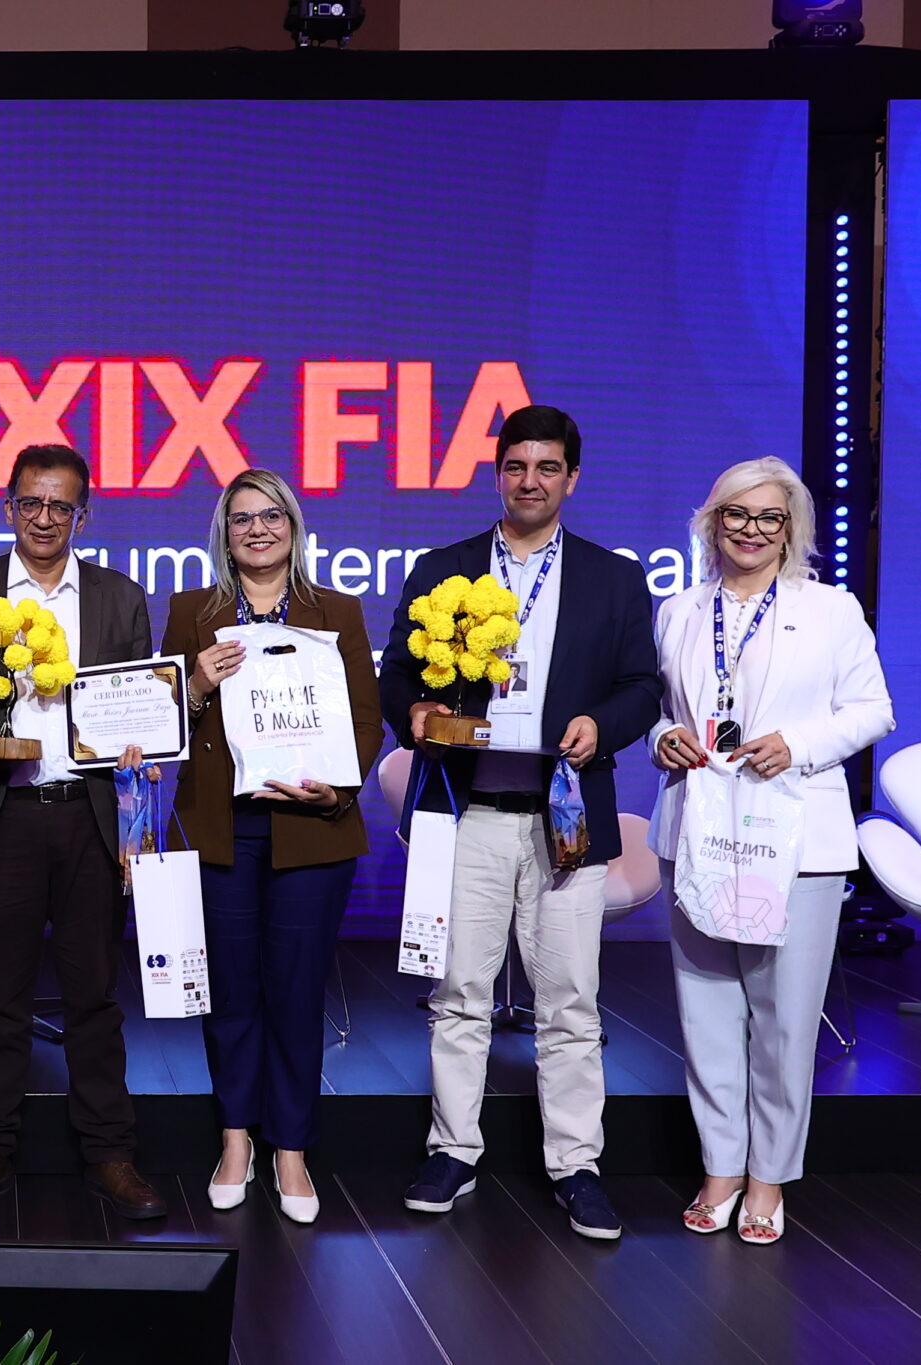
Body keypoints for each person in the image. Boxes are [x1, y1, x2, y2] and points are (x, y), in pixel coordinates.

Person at [380, 406, 660, 1241]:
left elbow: (642, 687)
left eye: (547, 467)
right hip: (465, 810)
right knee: (458, 991)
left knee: (571, 999)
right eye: (515, 466)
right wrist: (414, 712)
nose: (529, 481)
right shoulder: (443, 569)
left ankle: (576, 1163)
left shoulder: (613, 578)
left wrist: (602, 726)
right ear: (496, 472)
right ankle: (452, 1150)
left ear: (571, 477)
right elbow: (396, 678)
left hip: (565, 814)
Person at [649, 457, 892, 1246]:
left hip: (795, 841)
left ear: (791, 529)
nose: (750, 530)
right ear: (711, 520)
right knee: (707, 1011)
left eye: (769, 517)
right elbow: (662, 707)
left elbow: (873, 709)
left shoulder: (830, 609)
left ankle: (768, 1176)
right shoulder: (679, 609)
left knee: (785, 1019)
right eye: (736, 514)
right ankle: (721, 1166)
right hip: (698, 831)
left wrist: (799, 742)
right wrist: (662, 737)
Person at [0, 443, 166, 1222]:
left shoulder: (119, 598)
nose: (43, 517)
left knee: (95, 995)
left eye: (60, 505)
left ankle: (110, 1152)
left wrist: (140, 774)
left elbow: (141, 708)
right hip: (4, 812)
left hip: (89, 815)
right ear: (8, 507)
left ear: (81, 516)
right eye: (30, 502)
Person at [163, 469, 382, 1223]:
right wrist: (194, 684)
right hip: (219, 830)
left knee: (295, 987)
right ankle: (235, 1139)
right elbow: (161, 726)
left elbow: (366, 721)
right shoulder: (192, 612)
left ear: (293, 526)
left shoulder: (337, 611)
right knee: (229, 989)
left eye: (271, 515)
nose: (257, 528)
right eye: (242, 518)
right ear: (224, 534)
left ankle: (289, 1145)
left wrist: (336, 790)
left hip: (311, 828)